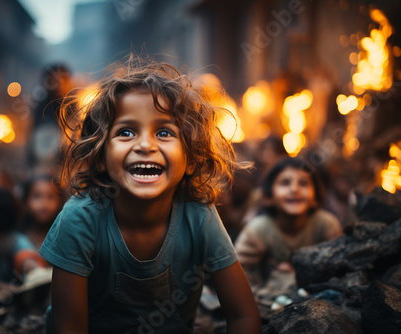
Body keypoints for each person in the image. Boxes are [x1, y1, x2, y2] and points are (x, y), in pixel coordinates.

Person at [39, 57, 261, 334]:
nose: (145, 145)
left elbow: (243, 317)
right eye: (126, 132)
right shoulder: (79, 219)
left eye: (165, 132)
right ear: (99, 157)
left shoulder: (199, 216)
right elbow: (69, 328)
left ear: (191, 157)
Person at [235, 157, 343, 291]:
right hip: (267, 300)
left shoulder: (326, 224)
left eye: (303, 183)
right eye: (285, 183)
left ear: (315, 197)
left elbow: (340, 267)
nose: (294, 189)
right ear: (268, 196)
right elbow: (236, 272)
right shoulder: (258, 229)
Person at [21, 175, 63, 249]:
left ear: (60, 202)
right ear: (26, 200)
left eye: (50, 197)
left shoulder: (65, 239)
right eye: (37, 196)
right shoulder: (17, 239)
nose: (44, 203)